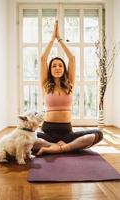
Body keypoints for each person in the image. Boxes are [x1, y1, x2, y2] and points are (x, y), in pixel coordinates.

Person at [34, 21, 103, 155]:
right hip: (47, 131)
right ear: (50, 69)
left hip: (67, 131)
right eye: (54, 65)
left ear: (64, 69)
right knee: (28, 139)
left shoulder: (70, 84)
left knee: (97, 134)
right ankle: (62, 146)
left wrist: (59, 39)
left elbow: (72, 58)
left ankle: (59, 148)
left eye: (60, 65)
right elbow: (43, 58)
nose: (57, 67)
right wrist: (52, 38)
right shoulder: (45, 85)